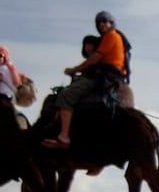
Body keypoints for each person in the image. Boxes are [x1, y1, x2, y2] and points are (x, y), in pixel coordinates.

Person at [43, 11, 127, 149]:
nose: (102, 25)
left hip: (105, 76)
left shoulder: (111, 37)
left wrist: (74, 69)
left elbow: (94, 60)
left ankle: (64, 136)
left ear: (111, 23)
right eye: (99, 23)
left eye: (105, 22)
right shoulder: (111, 38)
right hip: (111, 76)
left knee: (66, 95)